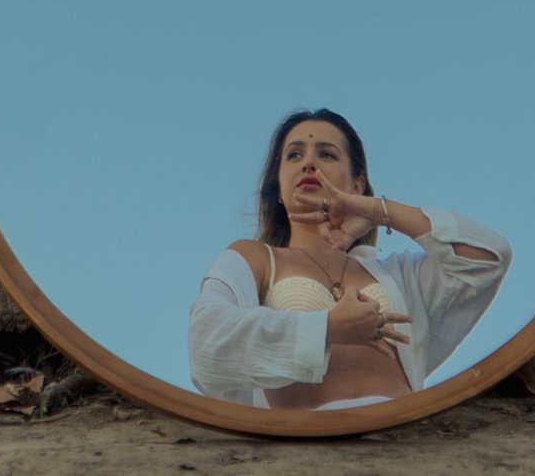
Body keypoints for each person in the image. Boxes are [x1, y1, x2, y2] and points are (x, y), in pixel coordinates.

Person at [187, 108, 511, 410]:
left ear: (357, 183)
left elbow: (488, 258)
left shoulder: (396, 275)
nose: (308, 163)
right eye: (294, 154)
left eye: (327, 154)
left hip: (408, 448)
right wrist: (327, 329)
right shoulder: (255, 259)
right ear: (279, 188)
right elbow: (207, 341)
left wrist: (379, 211)